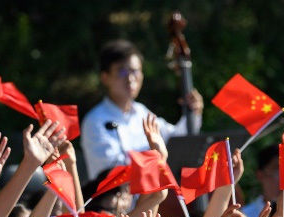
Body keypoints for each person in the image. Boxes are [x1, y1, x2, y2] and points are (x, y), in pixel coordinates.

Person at [80, 39, 203, 179]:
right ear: (105, 77)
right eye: (122, 71)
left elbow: (176, 140)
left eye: (135, 71)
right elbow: (111, 169)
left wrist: (194, 113)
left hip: (153, 199)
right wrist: (155, 153)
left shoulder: (142, 112)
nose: (130, 78)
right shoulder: (95, 121)